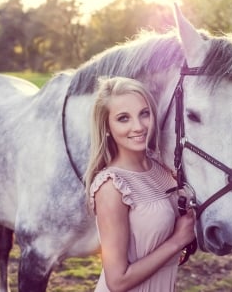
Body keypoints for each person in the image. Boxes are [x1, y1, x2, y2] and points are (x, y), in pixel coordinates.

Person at [84, 76, 196, 292]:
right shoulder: (111, 187)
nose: (138, 126)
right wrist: (178, 240)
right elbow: (117, 281)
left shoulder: (162, 168)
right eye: (123, 118)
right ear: (107, 126)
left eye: (144, 113)